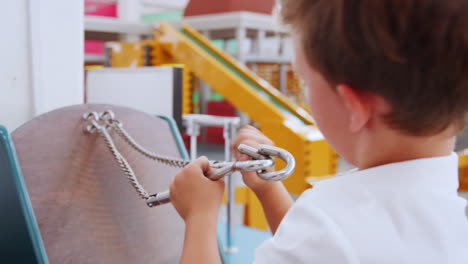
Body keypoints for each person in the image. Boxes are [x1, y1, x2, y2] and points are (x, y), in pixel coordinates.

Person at [169, 0, 468, 263]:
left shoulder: (328, 226)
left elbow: (324, 241)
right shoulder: (449, 214)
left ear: (354, 108)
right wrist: (269, 189)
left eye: (305, 83)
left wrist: (200, 218)